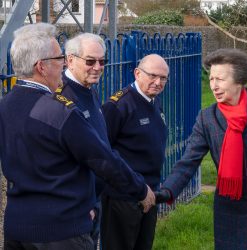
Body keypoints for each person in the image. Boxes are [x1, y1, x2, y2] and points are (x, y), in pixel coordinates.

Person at [0, 23, 155, 250]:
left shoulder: (6, 105)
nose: (63, 63)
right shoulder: (57, 111)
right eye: (59, 58)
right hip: (61, 231)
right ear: (41, 66)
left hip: (17, 227)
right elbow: (101, 158)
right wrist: (141, 189)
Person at [156, 48, 247, 250]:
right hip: (230, 209)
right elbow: (188, 162)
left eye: (220, 79)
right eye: (211, 79)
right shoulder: (207, 118)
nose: (213, 86)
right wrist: (167, 191)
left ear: (239, 80)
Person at [100, 54, 169, 250]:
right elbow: (104, 154)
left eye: (163, 78)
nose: (158, 82)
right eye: (153, 76)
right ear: (137, 73)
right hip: (122, 198)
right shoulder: (118, 106)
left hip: (151, 192)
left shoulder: (153, 100)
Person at [58, 32, 109, 248]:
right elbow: (61, 157)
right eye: (90, 61)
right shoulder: (63, 95)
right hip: (77, 206)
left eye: (102, 61)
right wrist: (81, 202)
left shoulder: (90, 90)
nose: (97, 67)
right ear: (70, 60)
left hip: (94, 198)